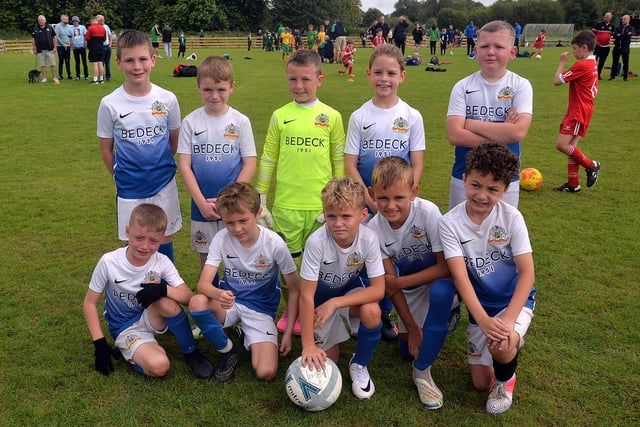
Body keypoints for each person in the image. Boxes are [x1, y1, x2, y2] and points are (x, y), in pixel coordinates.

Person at [438, 143, 536, 414]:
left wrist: (505, 321)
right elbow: (460, 276)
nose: (482, 195)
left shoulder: (512, 218)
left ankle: (505, 380)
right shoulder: (449, 223)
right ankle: (511, 343)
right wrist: (482, 319)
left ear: (505, 190)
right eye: (476, 185)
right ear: (465, 179)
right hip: (481, 309)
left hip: (514, 302)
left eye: (493, 189)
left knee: (502, 345)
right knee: (479, 382)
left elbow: (527, 273)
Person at [255, 49, 345, 335]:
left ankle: (321, 310)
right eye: (292, 79)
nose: (299, 86)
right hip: (285, 207)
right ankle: (291, 311)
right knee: (288, 268)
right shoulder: (280, 116)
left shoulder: (331, 116)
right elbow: (268, 156)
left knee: (321, 267)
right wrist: (261, 198)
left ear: (320, 78)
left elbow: (338, 161)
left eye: (306, 79)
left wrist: (335, 201)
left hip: (320, 209)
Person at [345, 44, 425, 340]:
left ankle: (389, 313)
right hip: (367, 204)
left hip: (398, 209)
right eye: (378, 72)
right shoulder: (359, 116)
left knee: (393, 259)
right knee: (365, 258)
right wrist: (370, 201)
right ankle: (365, 313)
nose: (384, 78)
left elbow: (417, 164)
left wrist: (401, 203)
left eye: (391, 73)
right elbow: (351, 165)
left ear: (402, 76)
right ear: (368, 75)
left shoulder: (412, 116)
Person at [83, 203, 214, 378]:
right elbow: (89, 303)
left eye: (153, 241)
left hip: (150, 317)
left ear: (162, 238)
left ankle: (191, 352)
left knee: (165, 301)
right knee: (160, 366)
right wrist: (99, 344)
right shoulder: (109, 262)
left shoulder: (161, 261)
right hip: (125, 328)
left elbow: (188, 298)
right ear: (127, 231)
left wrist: (164, 289)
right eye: (139, 237)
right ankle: (128, 350)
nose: (145, 246)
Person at [188, 183, 300, 382]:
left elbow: (294, 289)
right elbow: (203, 285)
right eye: (229, 223)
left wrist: (288, 333)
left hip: (260, 310)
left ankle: (246, 330)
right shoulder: (221, 239)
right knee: (197, 303)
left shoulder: (275, 244)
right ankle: (228, 351)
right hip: (230, 304)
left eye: (243, 220)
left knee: (265, 373)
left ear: (258, 213)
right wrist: (217, 294)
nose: (237, 229)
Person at [368, 156, 455, 409]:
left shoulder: (428, 213)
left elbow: (445, 267)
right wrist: (412, 327)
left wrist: (399, 281)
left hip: (439, 280)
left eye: (399, 198)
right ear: (372, 195)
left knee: (442, 291)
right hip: (411, 290)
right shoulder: (373, 230)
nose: (390, 206)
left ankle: (448, 311)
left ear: (413, 192)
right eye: (383, 198)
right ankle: (424, 326)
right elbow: (389, 284)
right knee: (407, 352)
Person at [97, 30, 182, 262]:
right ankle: (138, 296)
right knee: (136, 245)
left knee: (162, 239)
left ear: (153, 60)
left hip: (163, 184)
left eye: (143, 59)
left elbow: (174, 139)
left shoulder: (167, 99)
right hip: (129, 187)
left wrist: (158, 166)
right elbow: (106, 149)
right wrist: (118, 175)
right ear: (118, 63)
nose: (137, 66)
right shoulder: (109, 104)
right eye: (129, 60)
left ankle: (167, 291)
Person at [299, 176, 385, 400]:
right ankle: (331, 332)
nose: (338, 223)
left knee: (373, 311)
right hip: (318, 303)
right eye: (331, 216)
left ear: (362, 215)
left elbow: (378, 290)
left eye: (346, 216)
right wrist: (307, 344)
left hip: (347, 296)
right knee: (326, 362)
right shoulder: (316, 243)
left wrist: (335, 303)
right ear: (324, 214)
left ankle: (359, 364)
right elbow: (306, 295)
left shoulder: (369, 239)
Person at [178, 56, 257, 272]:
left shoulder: (240, 121)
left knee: (239, 252)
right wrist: (202, 202)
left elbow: (249, 163)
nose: (214, 96)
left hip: (234, 205)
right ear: (198, 87)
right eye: (208, 90)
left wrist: (229, 199)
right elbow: (184, 166)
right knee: (207, 258)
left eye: (221, 89)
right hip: (202, 205)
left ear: (231, 86)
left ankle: (238, 297)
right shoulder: (190, 122)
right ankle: (210, 299)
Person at [446, 20, 533, 210]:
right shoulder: (463, 86)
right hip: (465, 176)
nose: (490, 52)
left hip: (505, 179)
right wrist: (502, 133)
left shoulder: (520, 85)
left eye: (499, 46)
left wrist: (470, 123)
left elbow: (517, 133)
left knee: (500, 237)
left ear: (512, 53)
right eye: (484, 46)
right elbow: (454, 135)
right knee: (459, 234)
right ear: (475, 51)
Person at [553, 31, 600, 193]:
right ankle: (573, 184)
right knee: (571, 146)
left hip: (578, 111)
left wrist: (562, 62)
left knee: (562, 145)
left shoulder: (582, 65)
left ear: (584, 47)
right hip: (584, 108)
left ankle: (591, 165)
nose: (573, 52)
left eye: (574, 49)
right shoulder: (593, 63)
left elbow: (557, 81)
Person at [31, 15, 59, 84]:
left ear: (45, 20)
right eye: (39, 20)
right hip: (40, 50)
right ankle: (44, 78)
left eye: (42, 20)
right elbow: (33, 39)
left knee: (52, 64)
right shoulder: (35, 28)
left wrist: (55, 47)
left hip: (50, 49)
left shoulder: (49, 27)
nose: (41, 21)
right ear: (38, 21)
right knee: (42, 65)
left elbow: (55, 37)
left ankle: (55, 77)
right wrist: (34, 48)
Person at [609, 15, 634, 81]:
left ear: (628, 20)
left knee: (625, 62)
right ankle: (612, 76)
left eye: (624, 19)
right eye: (622, 19)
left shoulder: (631, 28)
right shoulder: (618, 28)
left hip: (625, 48)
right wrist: (621, 36)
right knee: (614, 62)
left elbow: (628, 36)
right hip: (616, 47)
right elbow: (614, 36)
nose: (623, 20)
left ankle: (625, 77)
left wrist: (619, 35)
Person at [592, 13, 614, 80]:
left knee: (602, 62)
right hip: (598, 46)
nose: (605, 18)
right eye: (605, 17)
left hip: (606, 47)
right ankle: (592, 74)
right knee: (594, 61)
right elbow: (593, 33)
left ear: (610, 18)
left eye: (607, 17)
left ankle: (598, 75)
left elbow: (613, 34)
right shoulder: (599, 24)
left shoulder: (612, 26)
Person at [85, 16, 106, 84]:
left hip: (93, 47)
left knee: (95, 63)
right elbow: (105, 38)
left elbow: (87, 38)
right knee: (100, 62)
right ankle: (101, 79)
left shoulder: (90, 28)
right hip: (101, 47)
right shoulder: (102, 28)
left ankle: (95, 79)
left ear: (92, 21)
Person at [69, 16, 88, 80]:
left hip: (82, 47)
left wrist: (85, 44)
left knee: (84, 62)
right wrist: (72, 45)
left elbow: (86, 36)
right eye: (74, 21)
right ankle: (78, 75)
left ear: (78, 21)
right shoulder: (70, 28)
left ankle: (86, 75)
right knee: (77, 62)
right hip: (75, 47)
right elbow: (70, 38)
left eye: (76, 21)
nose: (75, 22)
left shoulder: (82, 27)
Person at [54, 14, 72, 80]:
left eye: (67, 19)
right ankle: (60, 75)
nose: (66, 20)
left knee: (67, 60)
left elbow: (71, 36)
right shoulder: (58, 26)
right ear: (61, 19)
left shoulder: (69, 26)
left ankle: (69, 75)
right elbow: (56, 36)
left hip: (68, 46)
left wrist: (69, 44)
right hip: (60, 46)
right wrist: (63, 44)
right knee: (61, 61)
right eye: (65, 19)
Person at [96, 15, 113, 81]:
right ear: (98, 21)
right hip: (101, 47)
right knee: (101, 62)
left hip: (107, 46)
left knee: (107, 62)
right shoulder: (97, 27)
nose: (104, 21)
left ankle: (108, 76)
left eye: (103, 19)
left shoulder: (106, 26)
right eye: (102, 20)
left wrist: (110, 45)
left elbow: (110, 35)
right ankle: (101, 76)